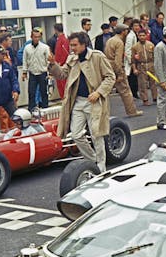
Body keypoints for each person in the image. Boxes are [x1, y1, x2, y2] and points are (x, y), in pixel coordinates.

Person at [48, 32, 116, 172]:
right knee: (76, 134)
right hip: (77, 102)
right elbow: (62, 74)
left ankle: (101, 167)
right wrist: (53, 64)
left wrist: (98, 92)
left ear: (84, 44)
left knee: (96, 135)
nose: (72, 48)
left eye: (75, 45)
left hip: (94, 102)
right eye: (71, 45)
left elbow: (110, 77)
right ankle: (93, 160)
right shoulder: (72, 58)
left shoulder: (97, 56)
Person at [104, 23, 143, 117]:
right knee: (125, 90)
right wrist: (120, 73)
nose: (127, 32)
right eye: (126, 30)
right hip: (115, 67)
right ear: (123, 31)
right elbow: (118, 60)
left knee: (105, 91)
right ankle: (132, 111)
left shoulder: (110, 40)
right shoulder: (119, 42)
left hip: (107, 66)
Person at [22, 29, 51, 111]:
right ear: (31, 37)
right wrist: (24, 72)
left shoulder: (45, 47)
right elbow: (25, 60)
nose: (37, 39)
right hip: (32, 73)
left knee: (44, 92)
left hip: (42, 72)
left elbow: (48, 60)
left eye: (38, 37)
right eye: (35, 37)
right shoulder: (27, 48)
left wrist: (50, 73)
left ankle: (45, 108)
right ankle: (31, 109)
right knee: (31, 92)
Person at [131, 29, 157, 106]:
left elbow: (155, 56)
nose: (142, 37)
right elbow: (132, 59)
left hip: (151, 64)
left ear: (146, 36)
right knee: (142, 84)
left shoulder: (151, 44)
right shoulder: (135, 47)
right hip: (141, 66)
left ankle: (155, 97)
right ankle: (145, 99)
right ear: (138, 36)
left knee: (153, 82)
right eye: (140, 36)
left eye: (143, 35)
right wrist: (134, 69)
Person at [50, 23, 69, 98]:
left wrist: (59, 63)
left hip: (61, 66)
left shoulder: (63, 40)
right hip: (58, 65)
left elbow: (64, 53)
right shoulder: (60, 39)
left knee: (63, 85)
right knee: (60, 86)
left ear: (55, 30)